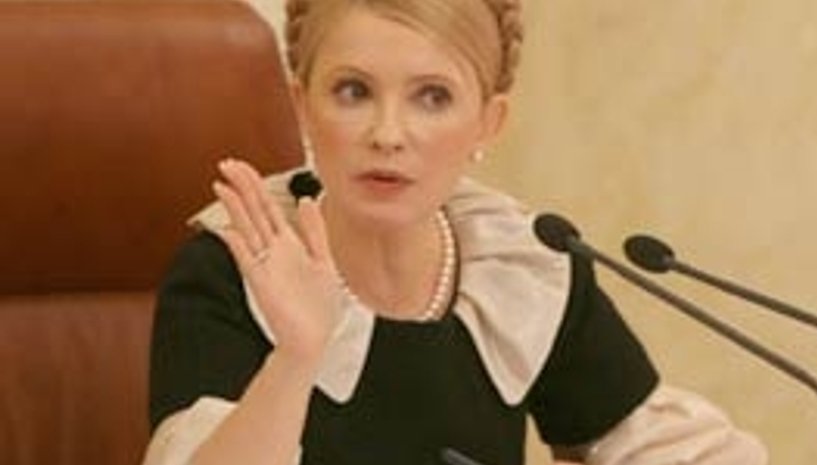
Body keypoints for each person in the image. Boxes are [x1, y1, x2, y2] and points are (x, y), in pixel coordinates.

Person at [142, 0, 768, 464]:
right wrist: (297, 357)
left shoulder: (522, 265)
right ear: (303, 105)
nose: (388, 134)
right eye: (353, 91)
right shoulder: (232, 267)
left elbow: (674, 449)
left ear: (488, 123)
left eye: (433, 97)